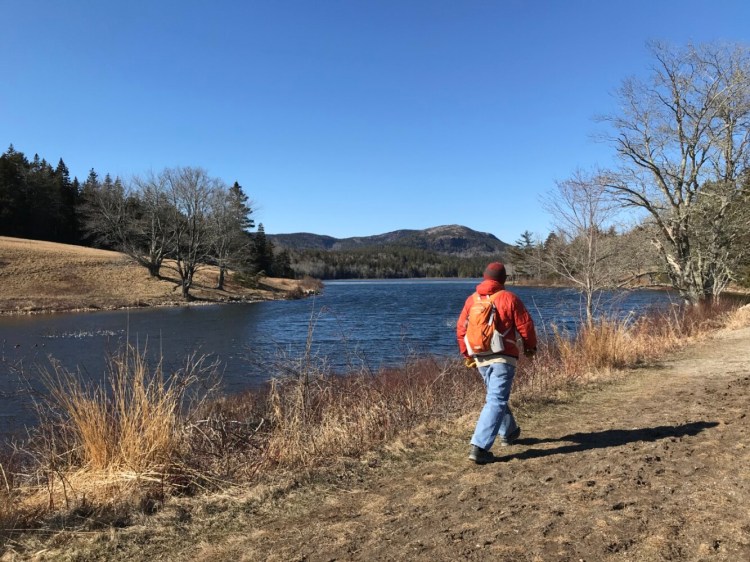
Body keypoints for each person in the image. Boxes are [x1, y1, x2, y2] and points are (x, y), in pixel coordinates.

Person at [456, 262, 537, 464]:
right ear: (503, 280)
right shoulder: (509, 298)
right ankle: (479, 447)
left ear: (485, 277)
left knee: (496, 397)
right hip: (503, 356)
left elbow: (461, 329)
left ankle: (509, 431)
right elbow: (525, 325)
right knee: (496, 399)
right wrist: (530, 347)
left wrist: (467, 354)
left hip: (479, 355)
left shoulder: (472, 300)